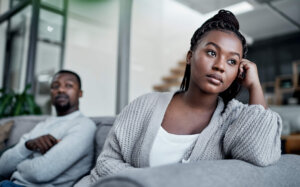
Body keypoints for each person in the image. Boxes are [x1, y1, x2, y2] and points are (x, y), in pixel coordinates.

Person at [75, 10, 282, 186]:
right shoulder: (145, 105)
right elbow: (106, 162)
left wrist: (255, 86)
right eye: (211, 52)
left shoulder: (234, 119)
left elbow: (260, 154)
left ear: (239, 70)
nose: (220, 65)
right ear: (190, 56)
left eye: (232, 61)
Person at [0, 70, 96, 187]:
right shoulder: (42, 125)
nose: (60, 90)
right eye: (55, 86)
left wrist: (17, 167)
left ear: (80, 93)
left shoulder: (84, 126)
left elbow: (39, 173)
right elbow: (2, 167)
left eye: (69, 85)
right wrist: (28, 145)